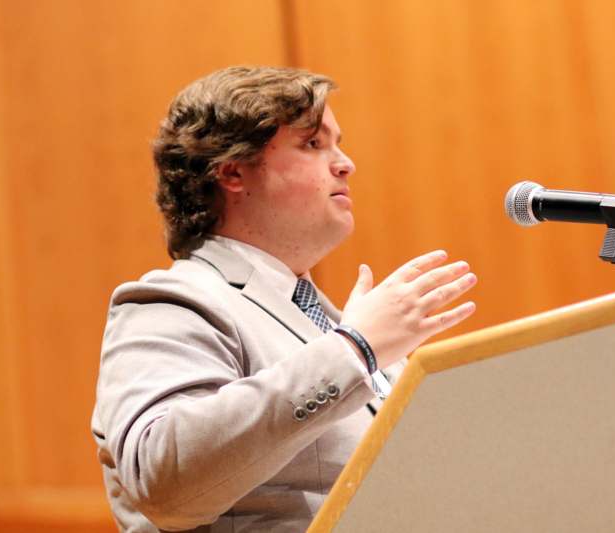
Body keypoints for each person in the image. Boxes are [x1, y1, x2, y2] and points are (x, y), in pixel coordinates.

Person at [91, 66, 477, 532]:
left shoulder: (329, 322)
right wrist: (354, 348)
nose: (345, 163)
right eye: (313, 144)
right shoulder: (171, 302)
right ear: (232, 171)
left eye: (336, 142)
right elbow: (165, 482)